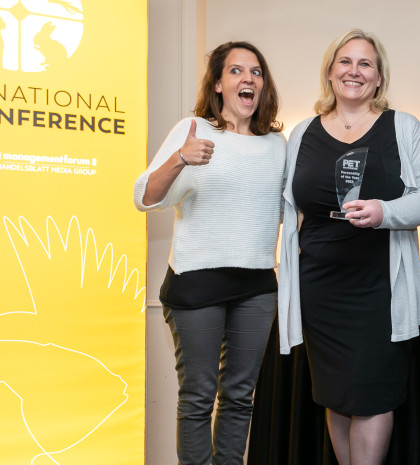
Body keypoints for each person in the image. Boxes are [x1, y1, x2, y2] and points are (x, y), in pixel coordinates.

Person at [276, 29, 420, 465]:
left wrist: (384, 212)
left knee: (371, 395)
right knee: (335, 395)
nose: (354, 71)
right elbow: (285, 204)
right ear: (330, 72)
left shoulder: (402, 127)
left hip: (379, 288)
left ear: (379, 77)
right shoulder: (302, 133)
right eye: (345, 62)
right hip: (320, 287)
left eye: (365, 63)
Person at [133, 41, 285, 465]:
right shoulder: (193, 129)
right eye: (236, 71)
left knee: (240, 397)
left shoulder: (277, 144)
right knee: (198, 398)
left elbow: (291, 209)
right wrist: (181, 158)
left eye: (255, 71)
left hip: (256, 286)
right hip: (196, 284)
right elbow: (145, 197)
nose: (248, 79)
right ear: (218, 84)